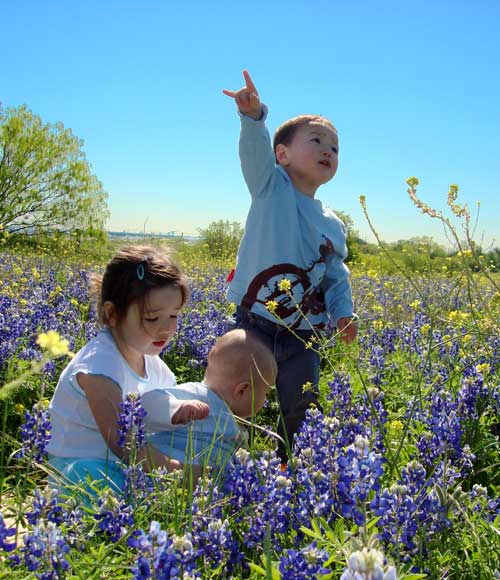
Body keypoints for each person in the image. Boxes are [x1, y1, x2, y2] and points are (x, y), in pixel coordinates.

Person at [223, 70, 358, 460]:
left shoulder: (333, 223)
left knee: (302, 404)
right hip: (256, 320)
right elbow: (255, 156)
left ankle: (295, 470)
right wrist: (253, 120)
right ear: (282, 155)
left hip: (306, 332)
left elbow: (336, 275)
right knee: (239, 394)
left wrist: (343, 312)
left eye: (335, 148)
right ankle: (229, 462)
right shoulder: (270, 187)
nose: (328, 151)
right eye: (316, 141)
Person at [46, 245, 209, 493]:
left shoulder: (158, 368)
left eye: (174, 315)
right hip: (79, 470)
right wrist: (177, 471)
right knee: (117, 489)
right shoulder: (100, 363)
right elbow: (122, 440)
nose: (166, 329)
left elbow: (156, 415)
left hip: (126, 467)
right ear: (112, 313)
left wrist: (177, 410)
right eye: (152, 318)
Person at [142, 328, 277, 474]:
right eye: (266, 394)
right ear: (242, 390)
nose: (265, 401)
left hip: (204, 482)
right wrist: (176, 409)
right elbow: (144, 405)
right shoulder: (198, 395)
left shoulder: (238, 426)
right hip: (165, 467)